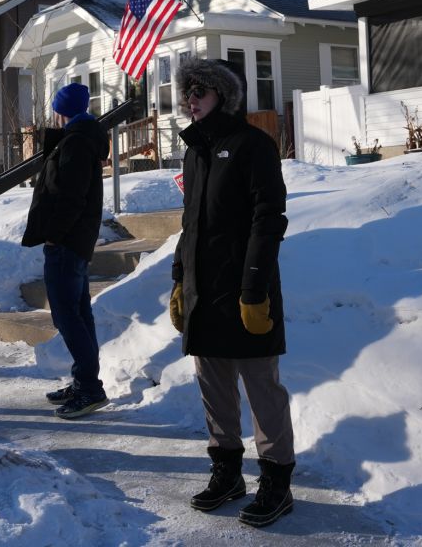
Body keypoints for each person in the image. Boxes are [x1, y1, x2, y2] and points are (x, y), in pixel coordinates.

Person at [169, 58, 295, 528]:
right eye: (188, 91)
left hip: (246, 290)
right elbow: (190, 225)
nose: (191, 99)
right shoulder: (195, 151)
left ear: (224, 94)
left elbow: (269, 219)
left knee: (262, 389)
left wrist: (254, 288)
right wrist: (179, 278)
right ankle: (227, 473)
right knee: (214, 388)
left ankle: (277, 483)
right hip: (205, 292)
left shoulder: (252, 146)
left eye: (200, 89)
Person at [22, 82, 111, 419]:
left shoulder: (75, 143)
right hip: (76, 241)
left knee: (66, 314)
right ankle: (84, 380)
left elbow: (71, 197)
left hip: (67, 243)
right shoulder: (82, 138)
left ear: (62, 110)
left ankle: (89, 388)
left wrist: (55, 235)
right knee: (78, 312)